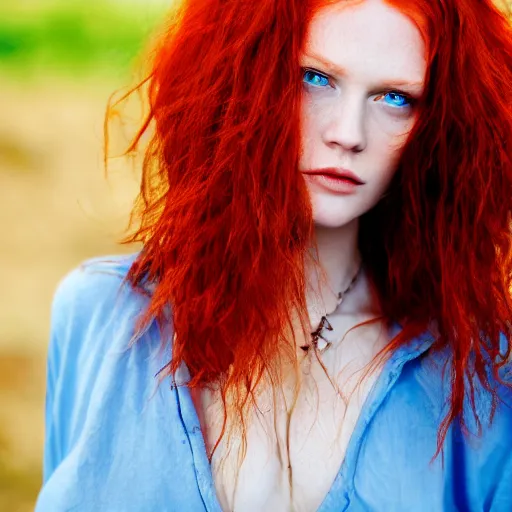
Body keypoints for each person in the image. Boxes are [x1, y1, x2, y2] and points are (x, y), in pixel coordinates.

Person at [36, 0, 512, 510]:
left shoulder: (481, 374)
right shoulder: (100, 315)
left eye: (394, 97)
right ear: (242, 77)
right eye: (315, 78)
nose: (348, 134)